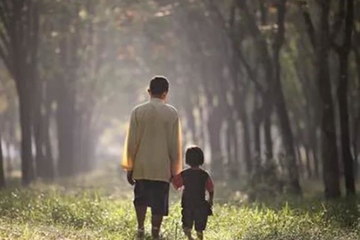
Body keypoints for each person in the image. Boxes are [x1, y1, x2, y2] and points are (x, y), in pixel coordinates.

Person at [122, 76, 183, 239]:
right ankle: (155, 231)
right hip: (162, 167)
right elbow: (174, 145)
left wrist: (129, 167)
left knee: (140, 198)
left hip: (142, 164)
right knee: (159, 202)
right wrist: (175, 170)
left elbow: (132, 142)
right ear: (166, 93)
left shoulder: (138, 111)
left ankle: (140, 228)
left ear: (149, 91)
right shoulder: (172, 113)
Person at [172, 146, 214, 240]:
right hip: (201, 205)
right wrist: (210, 200)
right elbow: (211, 189)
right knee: (199, 228)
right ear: (201, 159)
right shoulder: (204, 175)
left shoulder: (184, 174)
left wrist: (171, 177)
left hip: (187, 204)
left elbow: (176, 185)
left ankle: (190, 238)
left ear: (187, 159)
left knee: (186, 225)